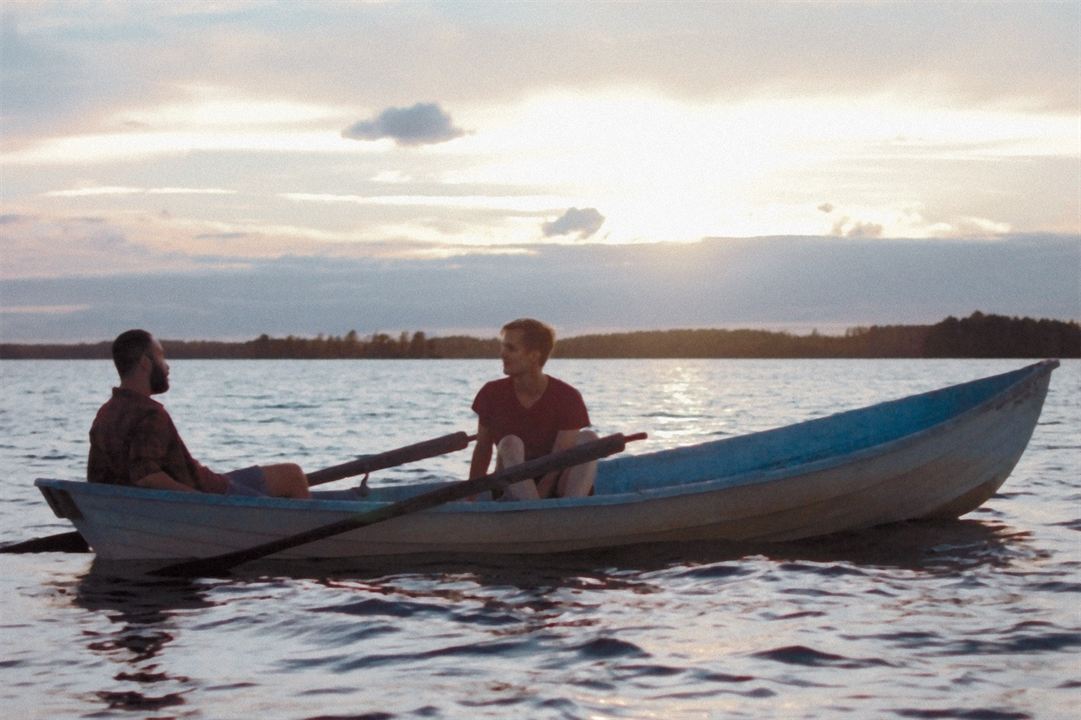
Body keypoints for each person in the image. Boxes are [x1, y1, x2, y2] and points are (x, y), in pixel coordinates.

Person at [87, 329, 310, 498]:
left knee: (287, 475)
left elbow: (96, 479)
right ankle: (308, 548)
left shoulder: (105, 413)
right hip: (209, 492)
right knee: (293, 476)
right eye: (161, 357)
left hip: (202, 484)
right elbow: (148, 477)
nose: (167, 366)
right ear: (145, 363)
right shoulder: (150, 414)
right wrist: (199, 501)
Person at [469, 318, 598, 500]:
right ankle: (535, 513)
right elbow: (482, 450)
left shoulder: (568, 397)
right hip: (510, 489)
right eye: (503, 347)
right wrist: (470, 499)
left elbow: (558, 461)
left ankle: (570, 511)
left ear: (534, 356)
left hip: (556, 487)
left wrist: (541, 498)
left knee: (589, 439)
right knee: (510, 443)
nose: (503, 354)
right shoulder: (491, 393)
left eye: (511, 348)